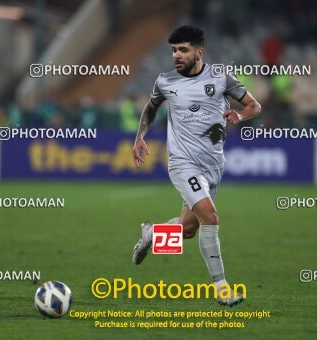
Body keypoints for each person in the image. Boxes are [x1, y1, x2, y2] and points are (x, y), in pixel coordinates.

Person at [131, 25, 261, 307]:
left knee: (188, 230)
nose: (177, 55)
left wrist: (239, 114)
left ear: (199, 52)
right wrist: (140, 137)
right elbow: (151, 107)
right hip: (182, 163)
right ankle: (222, 288)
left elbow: (254, 106)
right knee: (210, 218)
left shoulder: (221, 77)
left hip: (213, 165)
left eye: (183, 49)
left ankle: (151, 233)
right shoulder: (165, 81)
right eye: (174, 50)